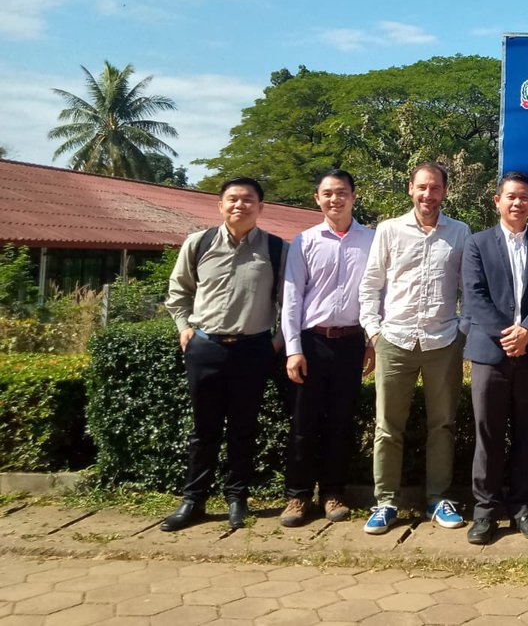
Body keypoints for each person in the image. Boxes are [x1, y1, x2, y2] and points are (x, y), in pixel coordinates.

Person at [162, 177, 286, 531]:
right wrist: (185, 327)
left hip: (254, 349)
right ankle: (194, 500)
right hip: (206, 347)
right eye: (232, 199)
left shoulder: (277, 249)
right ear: (220, 205)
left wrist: (277, 340)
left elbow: (290, 301)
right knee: (204, 429)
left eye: (248, 200)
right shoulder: (198, 243)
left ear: (261, 207)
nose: (239, 205)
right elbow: (178, 292)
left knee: (244, 428)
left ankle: (237, 497)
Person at [359, 162, 472, 535]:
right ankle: (385, 502)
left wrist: (463, 331)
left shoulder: (459, 232)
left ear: (444, 191)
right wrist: (374, 332)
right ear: (410, 189)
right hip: (395, 340)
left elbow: (468, 289)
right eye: (422, 187)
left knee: (443, 425)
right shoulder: (389, 230)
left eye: (435, 188)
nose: (428, 194)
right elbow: (370, 285)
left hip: (443, 342)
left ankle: (438, 499)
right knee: (388, 427)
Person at [462, 171, 528, 545]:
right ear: (498, 201)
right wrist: (508, 336)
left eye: (524, 197)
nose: (517, 203)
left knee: (527, 433)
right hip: (491, 354)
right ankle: (485, 512)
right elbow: (474, 296)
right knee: (487, 434)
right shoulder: (477, 244)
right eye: (511, 196)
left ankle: (522, 508)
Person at [280, 169, 376, 527]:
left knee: (340, 421)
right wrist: (293, 349)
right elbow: (291, 298)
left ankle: (333, 493)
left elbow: (376, 294)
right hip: (311, 341)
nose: (335, 199)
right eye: (328, 193)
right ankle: (297, 496)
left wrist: (371, 340)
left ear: (354, 196)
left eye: (342, 193)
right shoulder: (303, 242)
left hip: (351, 342)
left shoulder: (372, 239)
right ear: (317, 198)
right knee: (304, 423)